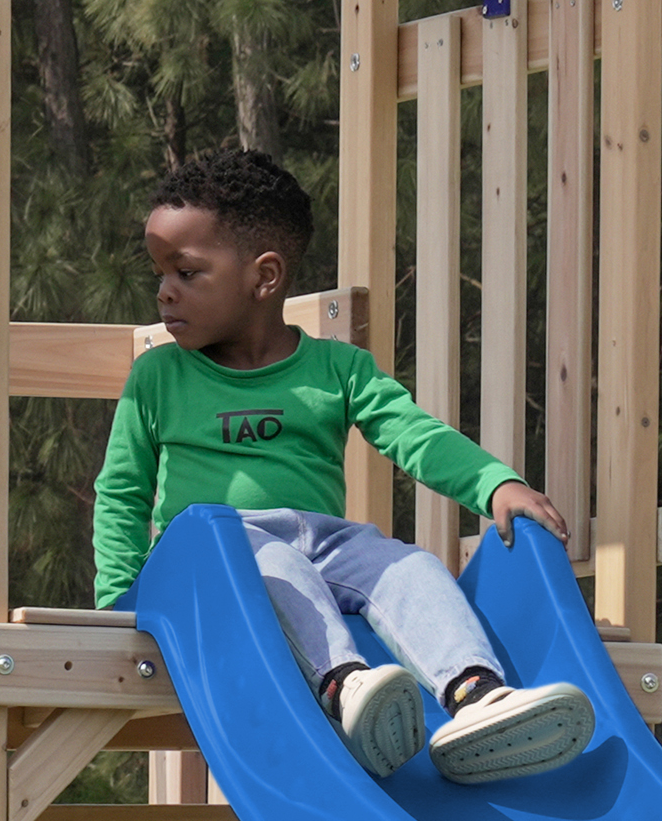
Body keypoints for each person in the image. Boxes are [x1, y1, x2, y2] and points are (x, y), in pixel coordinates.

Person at [94, 147, 590, 782]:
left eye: (186, 272)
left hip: (320, 543)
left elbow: (414, 436)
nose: (164, 291)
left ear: (263, 277)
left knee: (408, 564)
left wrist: (495, 484)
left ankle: (475, 697)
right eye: (160, 272)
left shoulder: (337, 370)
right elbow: (122, 493)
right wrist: (119, 599)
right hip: (211, 557)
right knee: (262, 559)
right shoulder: (158, 376)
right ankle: (347, 689)